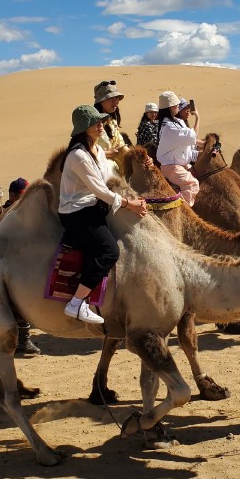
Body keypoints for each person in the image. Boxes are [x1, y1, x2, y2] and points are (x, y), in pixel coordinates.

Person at [58, 104, 148, 325]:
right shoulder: (78, 156)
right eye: (95, 122)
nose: (101, 124)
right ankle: (76, 303)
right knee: (109, 252)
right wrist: (130, 204)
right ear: (83, 129)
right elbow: (100, 189)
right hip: (77, 212)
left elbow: (109, 174)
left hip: (94, 206)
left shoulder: (97, 150)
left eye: (101, 121)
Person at [0, 177, 41, 356]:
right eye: (23, 196)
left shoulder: (15, 212)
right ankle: (23, 342)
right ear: (12, 195)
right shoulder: (6, 214)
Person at [155, 90, 201, 206]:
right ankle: (184, 212)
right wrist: (198, 117)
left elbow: (188, 145)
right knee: (192, 184)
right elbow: (193, 136)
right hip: (172, 167)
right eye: (176, 105)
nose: (178, 107)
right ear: (171, 107)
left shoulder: (177, 122)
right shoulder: (170, 127)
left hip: (181, 163)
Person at [93, 79, 131, 153]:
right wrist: (108, 154)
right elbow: (85, 153)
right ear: (101, 101)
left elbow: (121, 145)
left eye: (117, 97)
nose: (115, 101)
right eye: (110, 98)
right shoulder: (92, 124)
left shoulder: (112, 122)